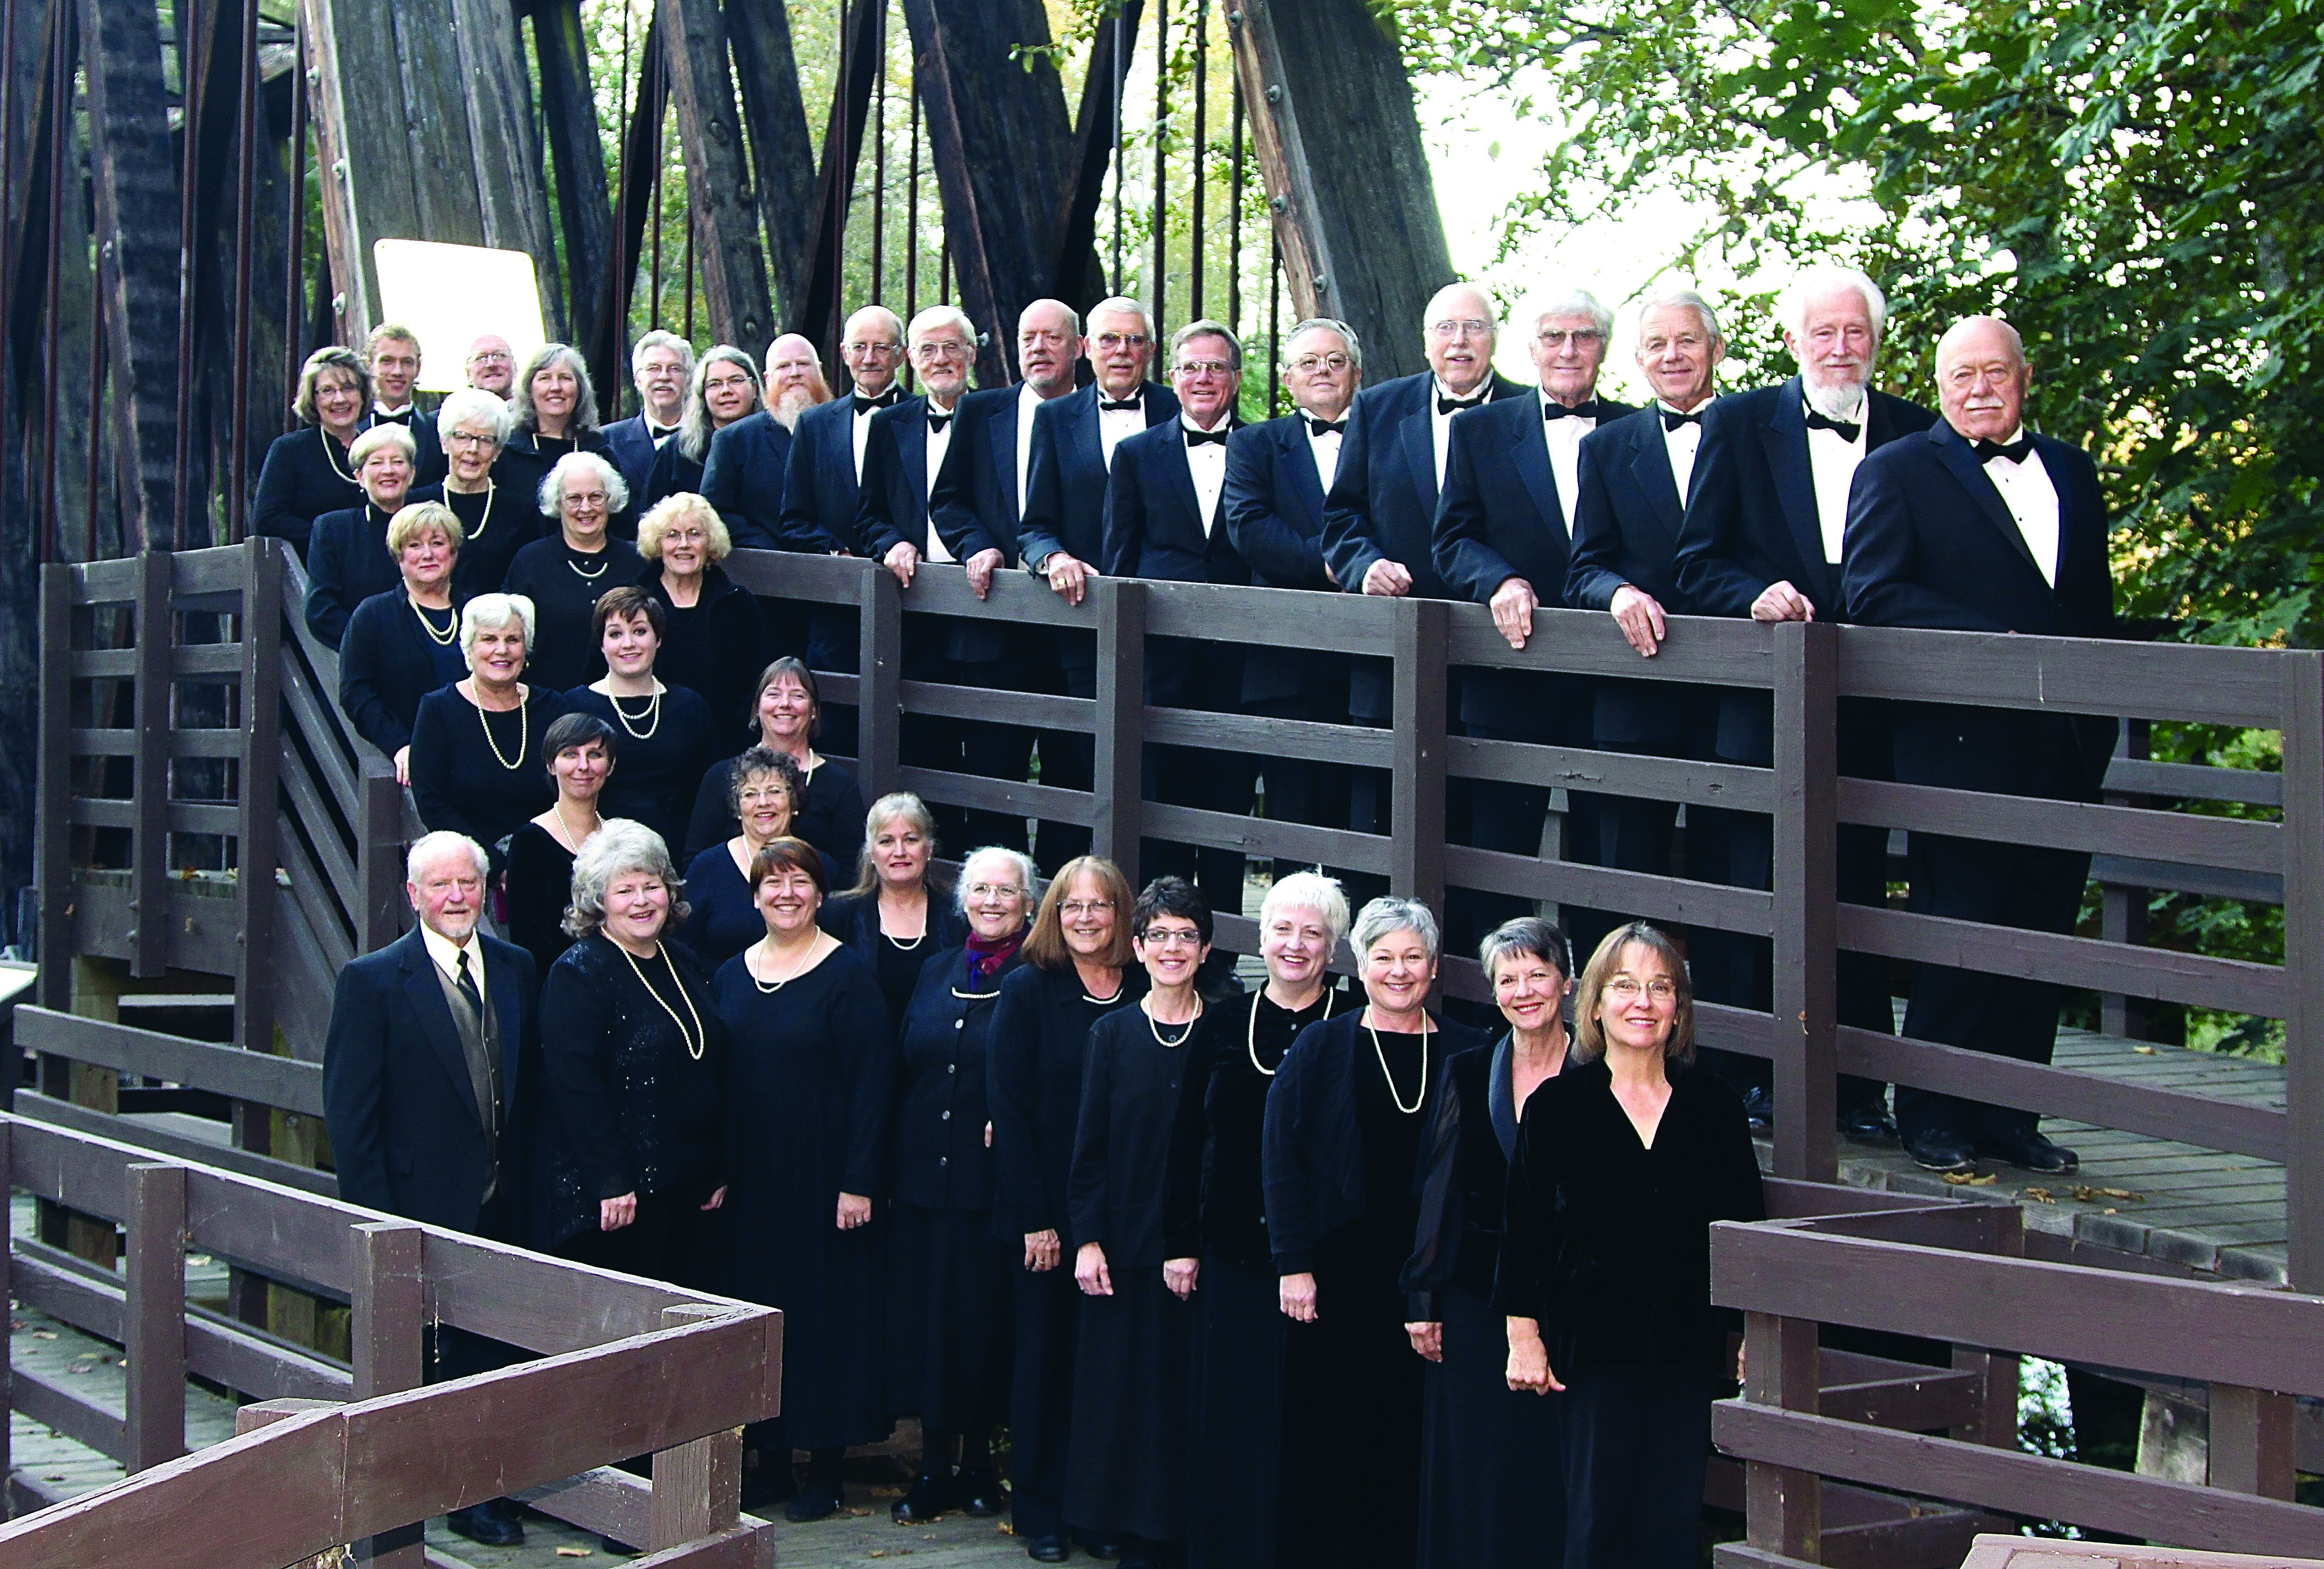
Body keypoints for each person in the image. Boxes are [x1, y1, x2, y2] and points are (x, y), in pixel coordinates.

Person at [1843, 315, 2117, 1174]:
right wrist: (1993, 640)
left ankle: (2010, 1112)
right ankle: (1931, 1110)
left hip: (2064, 743)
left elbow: (2093, 603)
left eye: (1995, 373)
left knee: (2040, 935)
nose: (1979, 389)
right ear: (1938, 383)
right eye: (1961, 375)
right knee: (1959, 934)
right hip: (1959, 744)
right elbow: (1873, 593)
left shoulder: (2070, 467)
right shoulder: (1895, 470)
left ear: (2025, 377)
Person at [1673, 264, 1933, 1143]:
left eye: (1855, 331)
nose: (1840, 347)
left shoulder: (1917, 431)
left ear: (1878, 339)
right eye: (1822, 333)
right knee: (1760, 886)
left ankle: (1858, 1084)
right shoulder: (1741, 423)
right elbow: (1696, 561)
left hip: (1871, 708)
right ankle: (1753, 1073)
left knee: (1856, 886)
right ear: (1792, 342)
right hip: (1765, 703)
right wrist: (1754, 593)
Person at [1499, 922, 1765, 1569]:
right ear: (1593, 1003)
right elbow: (1525, 1228)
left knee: (1672, 1520)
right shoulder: (1559, 1105)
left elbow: (1745, 1225)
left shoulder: (1715, 1106)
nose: (1643, 1001)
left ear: (1679, 1008)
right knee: (1595, 1521)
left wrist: (1753, 1332)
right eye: (1625, 985)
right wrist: (1523, 1335)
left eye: (1660, 987)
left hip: (1686, 1346)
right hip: (1591, 1350)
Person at [321, 829, 539, 1549]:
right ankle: (405, 1494)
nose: (456, 897)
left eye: (468, 884)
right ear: (414, 894)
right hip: (415, 1206)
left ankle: (483, 1494)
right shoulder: (374, 979)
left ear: (484, 889)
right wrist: (380, 1227)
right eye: (440, 885)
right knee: (413, 1363)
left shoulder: (515, 965)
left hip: (501, 1200)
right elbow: (352, 1120)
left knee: (492, 1354)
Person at [1261, 896, 1489, 1569]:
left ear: (1434, 967)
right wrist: (1292, 1262)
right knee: (1334, 1435)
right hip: (1336, 1278)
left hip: (1431, 1280)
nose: (1398, 970)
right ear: (1358, 965)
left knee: (1415, 1435)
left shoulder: (1469, 1049)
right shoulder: (1321, 1044)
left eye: (1412, 957)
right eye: (1383, 957)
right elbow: (1280, 1155)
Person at [1433, 288, 1636, 954]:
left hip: (1618, 682)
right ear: (1532, 347)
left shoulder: (1638, 429)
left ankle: (1607, 1019)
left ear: (1604, 347)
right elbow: (1453, 540)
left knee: (1615, 862)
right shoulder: (1479, 430)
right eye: (1554, 337)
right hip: (1511, 676)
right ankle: (1496, 1017)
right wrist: (1499, 579)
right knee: (1497, 858)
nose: (1569, 351)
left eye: (1583, 337)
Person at [1168, 873, 1353, 1569]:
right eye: (1282, 930)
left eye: (1312, 932)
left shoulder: (1355, 1022)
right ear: (1262, 937)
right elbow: (1188, 1141)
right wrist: (1180, 1242)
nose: (1295, 944)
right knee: (1235, 1420)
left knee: (1311, 1421)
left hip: (1326, 1263)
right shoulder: (1222, 1020)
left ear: (1333, 946)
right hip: (1234, 1254)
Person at [709, 834, 894, 1520]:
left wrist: (859, 1180)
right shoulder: (730, 973)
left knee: (824, 1318)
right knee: (761, 1310)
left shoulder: (848, 975)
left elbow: (875, 1085)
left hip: (825, 1178)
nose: (786, 893)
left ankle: (826, 1466)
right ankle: (772, 1461)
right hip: (753, 1182)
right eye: (772, 882)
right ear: (754, 895)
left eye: (800, 881)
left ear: (821, 892)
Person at [1568, 289, 1731, 991]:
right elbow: (1584, 566)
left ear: (1716, 350)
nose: (1673, 356)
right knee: (1627, 866)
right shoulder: (1607, 447)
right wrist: (1619, 593)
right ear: (1637, 360)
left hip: (1736, 691)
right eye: (1657, 345)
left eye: (1688, 341)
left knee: (1735, 874)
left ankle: (1735, 1049)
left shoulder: (1752, 432)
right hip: (1638, 688)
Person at [1404, 917, 1576, 1568]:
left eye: (1538, 973)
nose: (1524, 989)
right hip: (1475, 1297)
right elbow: (1438, 1185)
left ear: (1565, 981)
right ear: (1492, 990)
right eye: (1509, 978)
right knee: (1476, 1460)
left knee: (1550, 1464)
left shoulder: (1594, 1069)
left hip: (1566, 1302)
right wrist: (1422, 1292)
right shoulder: (1469, 1066)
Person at [987, 855, 1143, 1563]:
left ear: (1121, 916)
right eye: (1072, 905)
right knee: (1045, 1361)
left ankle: (1098, 1506)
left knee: (1107, 1369)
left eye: (1100, 905)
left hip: (1123, 1216)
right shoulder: (1026, 989)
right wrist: (1035, 1218)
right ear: (1054, 913)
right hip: (1046, 1213)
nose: (1086, 917)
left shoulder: (1145, 987)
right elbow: (1008, 1110)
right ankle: (1042, 1508)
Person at [888, 847, 1040, 1524]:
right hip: (923, 1178)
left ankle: (978, 1462)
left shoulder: (1038, 977)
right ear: (963, 899)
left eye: (1006, 890)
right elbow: (905, 1063)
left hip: (989, 1186)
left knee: (980, 1324)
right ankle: (930, 1466)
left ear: (1029, 903)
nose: (992, 900)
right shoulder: (936, 969)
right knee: (930, 1326)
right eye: (980, 888)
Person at [1066, 876, 1213, 1568]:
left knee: (1182, 1394)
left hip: (1196, 1250)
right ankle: (1119, 1523)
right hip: (1121, 1243)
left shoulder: (1225, 1032)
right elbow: (1089, 1143)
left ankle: (1179, 1526)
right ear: (1138, 946)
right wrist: (1088, 1237)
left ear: (1206, 948)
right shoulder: (1112, 1033)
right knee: (1121, 1393)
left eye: (1186, 935)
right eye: (1160, 935)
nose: (1172, 947)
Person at [1321, 284, 1528, 740]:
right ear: (1425, 340)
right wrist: (1365, 566)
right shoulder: (1377, 407)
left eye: (1474, 327)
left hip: (1501, 658)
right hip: (1396, 650)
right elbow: (1341, 517)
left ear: (1494, 338)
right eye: (1446, 328)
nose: (1459, 341)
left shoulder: (1528, 412)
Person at [1017, 297, 1181, 870]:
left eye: (1136, 341)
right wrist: (1053, 556)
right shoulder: (1054, 419)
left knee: (1160, 780)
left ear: (1152, 351)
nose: (1123, 352)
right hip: (1080, 627)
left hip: (1166, 634)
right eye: (1110, 340)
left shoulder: (1178, 407)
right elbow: (1034, 526)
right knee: (1075, 771)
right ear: (1086, 348)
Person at [1101, 318, 1257, 917]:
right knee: (1158, 806)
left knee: (1227, 806)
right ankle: (1158, 937)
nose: (1203, 378)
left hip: (1238, 662)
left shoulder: (1264, 445)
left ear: (1237, 379)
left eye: (1217, 367)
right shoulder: (1136, 454)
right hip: (1160, 662)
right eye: (1191, 367)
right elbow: (1119, 560)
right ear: (1173, 377)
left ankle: (1218, 954)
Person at [532, 821, 729, 1283]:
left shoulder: (681, 958)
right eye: (625, 890)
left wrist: (715, 1165)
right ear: (599, 901)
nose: (642, 901)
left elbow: (708, 1068)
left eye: (651, 886)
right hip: (619, 1201)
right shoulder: (578, 972)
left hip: (688, 1187)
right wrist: (611, 1180)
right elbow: (575, 1088)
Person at [924, 299, 1085, 854]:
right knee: (994, 777)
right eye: (1027, 338)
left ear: (1078, 347)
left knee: (1076, 776)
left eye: (1052, 338)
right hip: (994, 624)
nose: (1038, 348)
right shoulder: (980, 411)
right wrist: (980, 544)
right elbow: (947, 501)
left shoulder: (1096, 415)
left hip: (1078, 628)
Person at [1222, 319, 1366, 887]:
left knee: (1368, 820)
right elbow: (1250, 528)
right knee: (1293, 821)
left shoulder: (1388, 437)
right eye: (1309, 362)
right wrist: (1334, 564)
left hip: (1372, 660)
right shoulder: (1255, 444)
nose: (1322, 372)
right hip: (1287, 661)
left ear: (1357, 372)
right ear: (1287, 378)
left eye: (1335, 361)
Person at [856, 306, 1005, 851]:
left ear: (972, 354)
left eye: (951, 347)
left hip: (991, 610)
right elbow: (868, 513)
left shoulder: (1002, 416)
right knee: (926, 756)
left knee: (994, 761)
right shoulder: (888, 424)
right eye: (928, 350)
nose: (940, 359)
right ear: (911, 360)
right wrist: (891, 542)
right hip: (915, 615)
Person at [408, 594, 569, 875]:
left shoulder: (554, 708)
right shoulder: (438, 710)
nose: (502, 650)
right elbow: (432, 802)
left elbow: (572, 790)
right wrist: (496, 867)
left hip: (550, 861)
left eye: (513, 640)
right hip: (472, 868)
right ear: (469, 648)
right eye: (489, 639)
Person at [561, 586, 714, 857]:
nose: (628, 644)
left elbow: (705, 792)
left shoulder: (690, 706)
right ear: (601, 644)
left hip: (675, 848)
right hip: (595, 849)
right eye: (616, 634)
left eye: (640, 631)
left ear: (658, 639)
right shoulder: (574, 706)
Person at [683, 657, 867, 874]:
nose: (785, 704)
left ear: (814, 710)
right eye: (774, 694)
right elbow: (694, 864)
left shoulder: (841, 786)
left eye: (797, 695)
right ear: (757, 708)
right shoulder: (721, 776)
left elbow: (852, 874)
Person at [339, 501, 469, 783]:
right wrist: (399, 745)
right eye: (414, 545)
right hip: (409, 765)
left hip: (476, 760)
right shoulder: (372, 615)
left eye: (438, 543)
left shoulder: (477, 611)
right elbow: (356, 693)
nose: (428, 554)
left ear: (454, 552)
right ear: (399, 555)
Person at [818, 792, 968, 1035]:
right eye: (886, 841)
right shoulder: (837, 916)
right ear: (871, 853)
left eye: (910, 839)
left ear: (929, 848)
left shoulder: (958, 915)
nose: (899, 851)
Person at [500, 451, 646, 694]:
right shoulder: (530, 561)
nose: (586, 508)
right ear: (558, 504)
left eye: (595, 497)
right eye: (574, 498)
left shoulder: (637, 561)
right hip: (548, 703)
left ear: (610, 501)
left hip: (624, 702)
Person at [634, 491, 768, 735]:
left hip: (722, 740)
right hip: (649, 736)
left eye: (694, 534)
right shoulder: (633, 603)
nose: (684, 544)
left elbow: (756, 681)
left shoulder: (738, 603)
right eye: (672, 535)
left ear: (710, 543)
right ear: (658, 544)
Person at [679, 746, 817, 972]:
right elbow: (684, 952)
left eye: (774, 791)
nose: (763, 802)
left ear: (793, 802)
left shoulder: (820, 867)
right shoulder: (706, 868)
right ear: (737, 808)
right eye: (751, 794)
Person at [505, 712, 617, 982]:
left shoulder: (620, 835)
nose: (583, 766)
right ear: (551, 765)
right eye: (570, 754)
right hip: (559, 984)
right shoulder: (530, 841)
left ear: (611, 766)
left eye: (595, 754)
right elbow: (528, 938)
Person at [702, 332, 830, 551]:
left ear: (820, 371)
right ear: (767, 379)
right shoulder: (733, 440)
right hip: (766, 570)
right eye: (783, 367)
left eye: (803, 364)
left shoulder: (849, 429)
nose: (795, 373)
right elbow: (714, 512)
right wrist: (768, 549)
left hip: (845, 568)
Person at [411, 387, 533, 599]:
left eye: (485, 440)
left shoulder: (522, 513)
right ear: (444, 443)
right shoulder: (415, 505)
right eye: (462, 437)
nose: (473, 449)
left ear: (497, 452)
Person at [305, 423, 417, 648]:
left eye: (398, 462)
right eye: (376, 463)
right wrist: (373, 645)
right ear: (360, 476)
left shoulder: (433, 527)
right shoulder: (334, 529)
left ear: (411, 473)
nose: (388, 471)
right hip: (362, 657)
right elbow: (321, 611)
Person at [253, 345, 370, 554]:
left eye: (348, 388)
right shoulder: (289, 450)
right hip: (311, 569)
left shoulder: (378, 447)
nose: (340, 399)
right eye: (327, 391)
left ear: (362, 394)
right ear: (313, 400)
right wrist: (328, 538)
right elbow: (267, 519)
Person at [495, 342, 614, 518]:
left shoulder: (599, 450)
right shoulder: (508, 450)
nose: (556, 387)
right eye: (545, 378)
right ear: (529, 389)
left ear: (580, 389)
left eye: (565, 378)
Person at [642, 347, 761, 511]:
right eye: (715, 384)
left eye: (736, 381)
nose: (726, 391)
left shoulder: (777, 441)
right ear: (702, 395)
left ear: (754, 389)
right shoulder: (677, 450)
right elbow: (653, 516)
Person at [602, 330, 695, 502]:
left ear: (689, 380)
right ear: (638, 379)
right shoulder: (607, 442)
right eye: (654, 368)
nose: (664, 377)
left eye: (674, 369)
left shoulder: (710, 441)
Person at [362, 322, 445, 483]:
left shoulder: (437, 432)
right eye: (387, 361)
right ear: (369, 366)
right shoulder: (350, 429)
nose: (397, 371)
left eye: (407, 362)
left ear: (418, 368)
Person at [465, 333, 517, 397]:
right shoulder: (454, 406)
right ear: (468, 374)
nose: (491, 364)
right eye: (482, 358)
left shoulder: (531, 405)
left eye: (499, 356)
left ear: (515, 367)